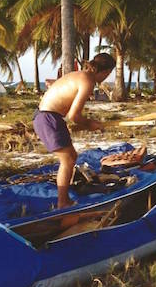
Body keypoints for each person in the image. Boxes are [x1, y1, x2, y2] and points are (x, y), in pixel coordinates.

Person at [33, 53, 116, 209]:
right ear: (106, 72)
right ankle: (63, 203)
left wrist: (87, 123)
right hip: (48, 118)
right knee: (67, 160)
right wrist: (90, 123)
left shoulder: (79, 75)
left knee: (71, 156)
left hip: (45, 116)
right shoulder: (88, 81)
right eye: (108, 74)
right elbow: (74, 115)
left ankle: (65, 199)